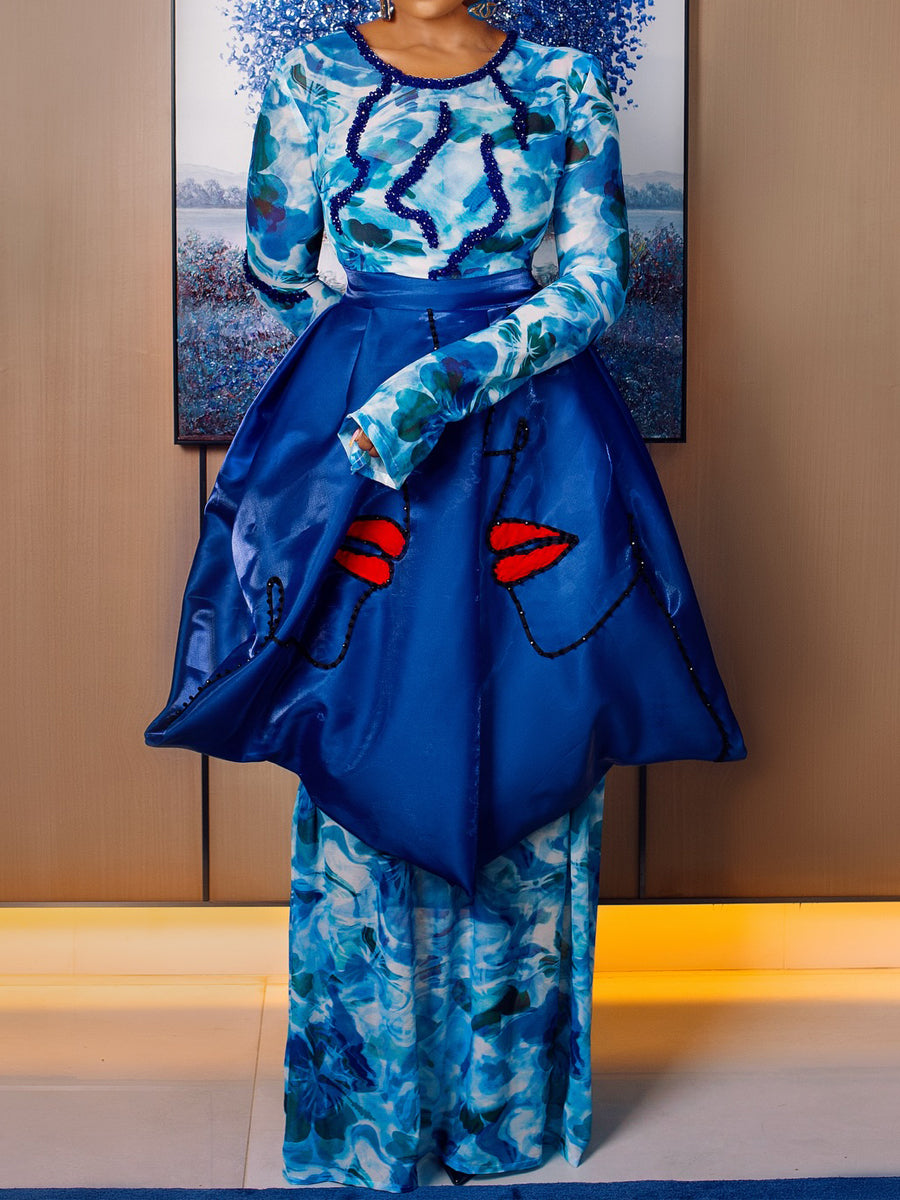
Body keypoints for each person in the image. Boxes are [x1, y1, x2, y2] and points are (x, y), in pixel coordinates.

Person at [147, 0, 746, 1188]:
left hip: (533, 432)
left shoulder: (566, 81)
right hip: (370, 445)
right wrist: (365, 368)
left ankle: (502, 1115)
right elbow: (276, 264)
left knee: (540, 710)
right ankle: (369, 1117)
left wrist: (433, 377)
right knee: (363, 716)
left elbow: (596, 286)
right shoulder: (310, 77)